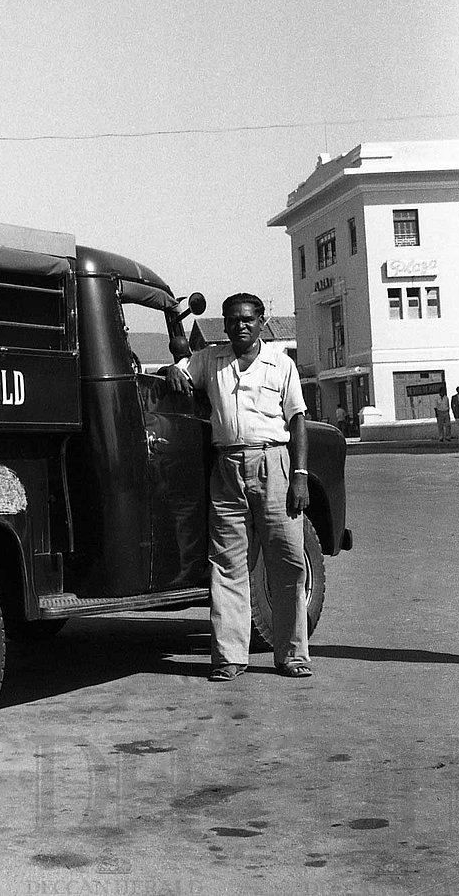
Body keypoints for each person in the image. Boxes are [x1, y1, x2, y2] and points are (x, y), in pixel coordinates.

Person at [166, 292, 311, 681]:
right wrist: (174, 370)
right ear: (225, 324)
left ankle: (292, 655)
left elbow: (297, 420)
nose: (240, 326)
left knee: (287, 563)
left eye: (247, 319)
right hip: (227, 469)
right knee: (227, 564)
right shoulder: (211, 360)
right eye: (233, 320)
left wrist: (299, 475)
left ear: (261, 322)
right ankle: (229, 657)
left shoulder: (281, 364)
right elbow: (181, 370)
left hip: (273, 464)